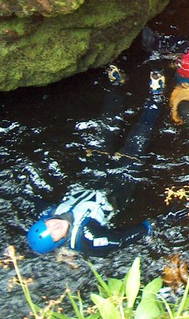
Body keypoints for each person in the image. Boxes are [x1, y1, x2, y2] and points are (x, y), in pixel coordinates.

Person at [26, 68, 164, 257]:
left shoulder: (49, 212)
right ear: (59, 242)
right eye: (53, 233)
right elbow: (121, 240)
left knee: (105, 128)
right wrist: (155, 223)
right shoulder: (89, 238)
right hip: (117, 190)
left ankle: (116, 86)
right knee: (138, 138)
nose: (54, 225)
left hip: (92, 177)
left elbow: (33, 200)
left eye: (47, 225)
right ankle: (156, 97)